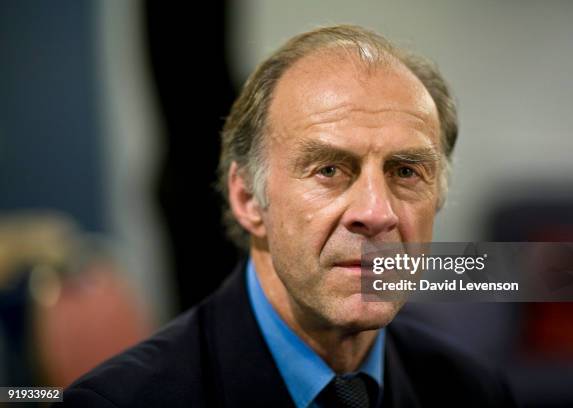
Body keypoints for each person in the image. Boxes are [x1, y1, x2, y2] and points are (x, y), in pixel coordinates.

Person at [58, 25, 516, 407]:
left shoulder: (475, 392)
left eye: (406, 171)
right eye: (330, 170)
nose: (376, 212)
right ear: (248, 199)